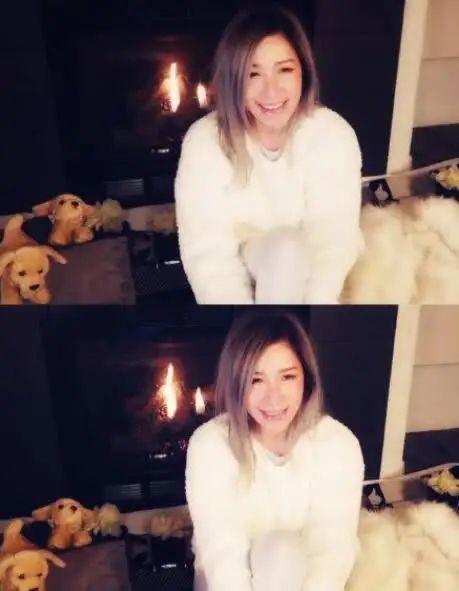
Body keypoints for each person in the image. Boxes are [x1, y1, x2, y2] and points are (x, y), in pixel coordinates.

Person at [175, 4, 363, 304]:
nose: (271, 91)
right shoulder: (205, 140)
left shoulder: (332, 134)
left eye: (285, 70)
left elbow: (332, 241)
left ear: (304, 71)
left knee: (291, 249)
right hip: (246, 257)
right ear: (234, 79)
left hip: (305, 268)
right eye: (253, 74)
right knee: (286, 249)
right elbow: (208, 254)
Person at [185, 312, 364, 591]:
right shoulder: (210, 444)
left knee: (285, 551)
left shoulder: (338, 443)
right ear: (237, 382)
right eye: (256, 380)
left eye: (287, 377)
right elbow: (222, 554)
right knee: (278, 550)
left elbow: (331, 552)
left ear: (306, 377)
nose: (274, 398)